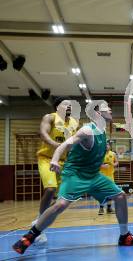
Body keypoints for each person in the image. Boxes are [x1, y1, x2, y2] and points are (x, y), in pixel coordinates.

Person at [12, 102, 133, 255]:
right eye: (106, 107)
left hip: (93, 175)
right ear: (97, 114)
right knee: (60, 205)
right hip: (75, 174)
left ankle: (125, 236)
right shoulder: (88, 130)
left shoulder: (102, 132)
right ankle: (30, 236)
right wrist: (54, 159)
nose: (110, 109)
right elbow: (65, 145)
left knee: (120, 196)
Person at [33, 97, 79, 244]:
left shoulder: (74, 123)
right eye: (66, 104)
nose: (69, 106)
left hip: (65, 162)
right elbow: (43, 133)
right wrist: (56, 145)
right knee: (51, 189)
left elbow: (74, 142)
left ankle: (40, 221)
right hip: (47, 158)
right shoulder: (50, 117)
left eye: (71, 105)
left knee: (65, 198)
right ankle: (40, 221)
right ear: (57, 106)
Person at [98, 141, 119, 215]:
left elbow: (117, 162)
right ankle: (101, 208)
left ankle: (109, 208)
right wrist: (102, 166)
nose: (106, 146)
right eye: (105, 145)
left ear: (109, 146)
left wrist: (114, 164)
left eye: (107, 145)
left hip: (110, 177)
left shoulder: (113, 154)